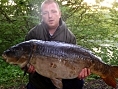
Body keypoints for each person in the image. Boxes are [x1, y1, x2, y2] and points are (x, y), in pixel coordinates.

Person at [24, 0, 90, 89]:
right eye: (45, 13)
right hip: (39, 81)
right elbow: (23, 60)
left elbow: (74, 63)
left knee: (78, 83)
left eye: (53, 11)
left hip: (63, 77)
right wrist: (27, 68)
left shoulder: (69, 37)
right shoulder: (33, 35)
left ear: (60, 14)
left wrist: (79, 73)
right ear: (42, 16)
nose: (50, 16)